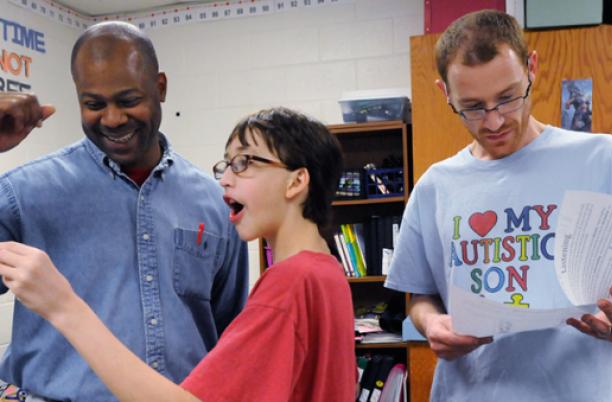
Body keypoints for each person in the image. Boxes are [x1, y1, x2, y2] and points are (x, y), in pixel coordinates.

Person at [384, 10, 612, 402]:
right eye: (473, 106)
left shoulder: (606, 160)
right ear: (445, 93)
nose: (495, 121)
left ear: (531, 67)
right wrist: (432, 324)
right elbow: (420, 295)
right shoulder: (436, 186)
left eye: (508, 97)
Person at [0, 106, 356, 402]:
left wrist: (64, 307)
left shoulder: (288, 284)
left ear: (297, 182)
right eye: (226, 165)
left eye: (245, 163)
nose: (226, 180)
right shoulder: (326, 272)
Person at [0, 22, 249, 401]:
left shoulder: (216, 203)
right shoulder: (24, 193)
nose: (113, 119)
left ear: (160, 87)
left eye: (128, 100)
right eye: (94, 104)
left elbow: (230, 336)